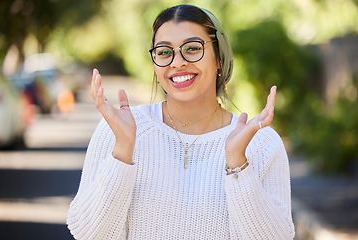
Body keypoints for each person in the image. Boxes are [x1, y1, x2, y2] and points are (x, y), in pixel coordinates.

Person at [67, 4, 295, 239]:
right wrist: (123, 151)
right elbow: (89, 234)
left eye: (193, 48)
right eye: (165, 52)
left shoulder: (261, 143)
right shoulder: (118, 130)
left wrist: (238, 165)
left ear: (219, 57)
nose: (178, 63)